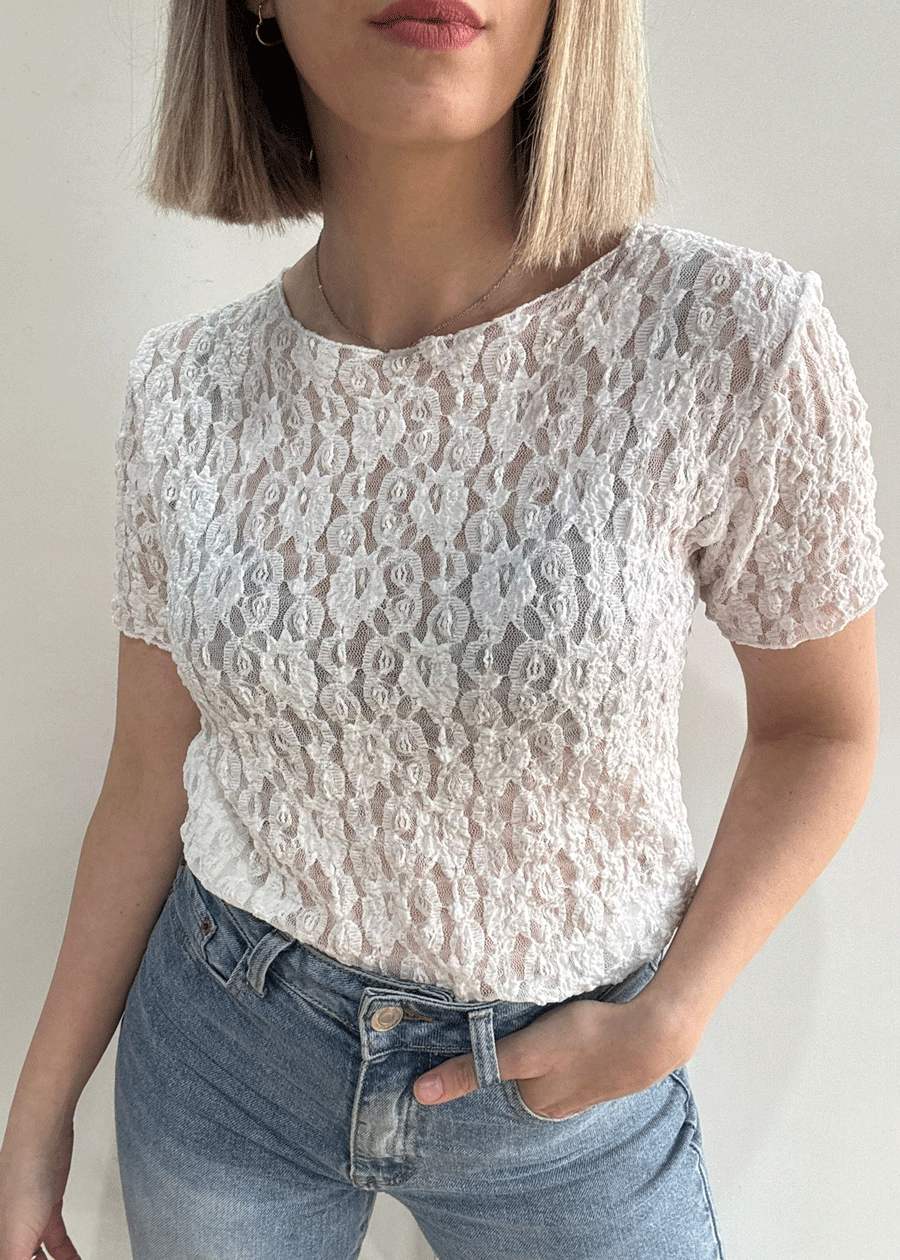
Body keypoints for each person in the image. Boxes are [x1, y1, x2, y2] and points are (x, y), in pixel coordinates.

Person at [0, 0, 888, 1256]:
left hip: (571, 1102)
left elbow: (822, 728)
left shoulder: (725, 338)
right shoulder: (184, 390)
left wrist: (674, 1013)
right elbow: (151, 764)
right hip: (225, 1055)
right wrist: (37, 1114)